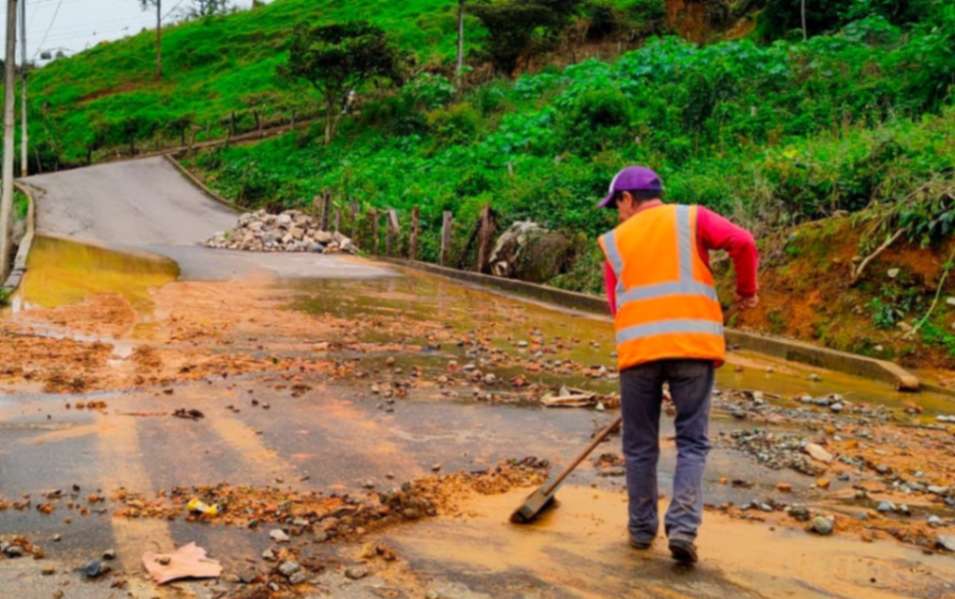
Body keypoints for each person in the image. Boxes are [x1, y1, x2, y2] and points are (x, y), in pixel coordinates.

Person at [596, 166, 759, 564]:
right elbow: (743, 242)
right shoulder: (692, 218)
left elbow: (616, 306)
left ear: (628, 199)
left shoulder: (613, 242)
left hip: (638, 355)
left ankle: (640, 531)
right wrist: (746, 291)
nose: (617, 214)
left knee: (638, 445)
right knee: (692, 441)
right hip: (692, 349)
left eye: (616, 204)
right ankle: (683, 529)